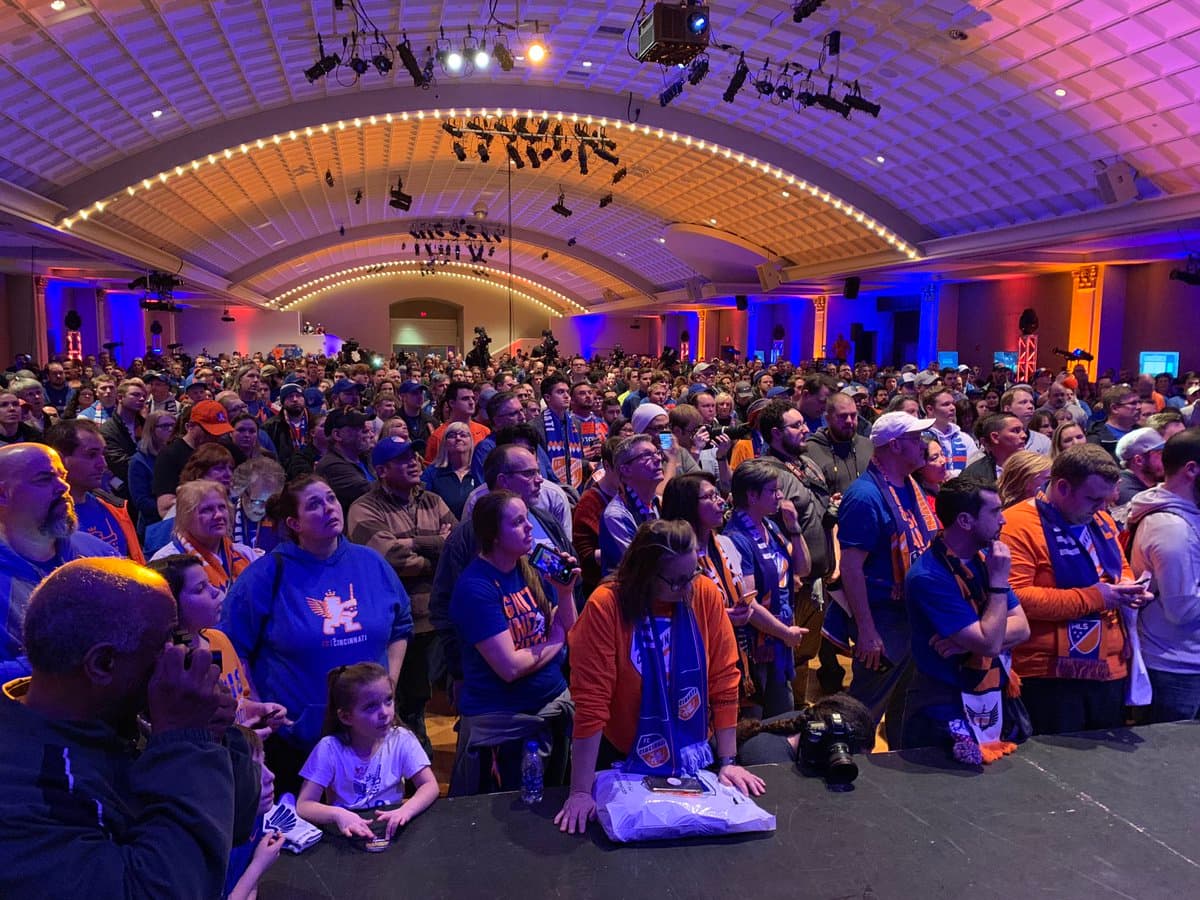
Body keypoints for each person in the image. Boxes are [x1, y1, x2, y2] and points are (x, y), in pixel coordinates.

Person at [0, 557, 259, 897]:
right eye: (167, 640)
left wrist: (212, 736)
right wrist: (187, 741)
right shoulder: (22, 796)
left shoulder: (116, 720)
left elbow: (232, 825)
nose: (181, 654)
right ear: (104, 664)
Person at [556, 520, 762, 835]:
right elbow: (592, 702)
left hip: (692, 753)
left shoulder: (703, 593)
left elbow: (724, 679)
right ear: (645, 573)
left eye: (692, 574)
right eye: (677, 581)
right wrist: (581, 792)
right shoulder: (606, 605)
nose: (688, 588)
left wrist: (728, 760)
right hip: (622, 757)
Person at [222, 475, 413, 791]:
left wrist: (388, 684)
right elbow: (232, 646)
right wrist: (257, 705)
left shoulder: (371, 562)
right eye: (314, 505)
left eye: (331, 498)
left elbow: (401, 626)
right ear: (293, 523)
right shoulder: (267, 573)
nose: (328, 508)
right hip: (297, 740)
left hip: (370, 735)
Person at [999, 444, 1151, 734]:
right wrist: (1097, 597)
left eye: (1104, 499)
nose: (1101, 507)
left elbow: (1118, 567)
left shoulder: (1100, 519)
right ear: (1063, 486)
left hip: (1111, 666)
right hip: (1050, 674)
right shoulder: (1016, 525)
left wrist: (1129, 589)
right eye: (1093, 499)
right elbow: (1015, 597)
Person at [448, 490, 578, 795]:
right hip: (505, 726)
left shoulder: (529, 566)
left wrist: (566, 592)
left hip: (551, 709)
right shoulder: (476, 587)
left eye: (527, 518)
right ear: (494, 535)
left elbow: (572, 628)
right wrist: (555, 641)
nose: (530, 527)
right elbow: (509, 666)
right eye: (518, 522)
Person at [825, 411, 941, 746]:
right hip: (882, 619)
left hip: (911, 616)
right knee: (865, 706)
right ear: (894, 446)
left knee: (905, 700)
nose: (924, 445)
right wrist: (867, 631)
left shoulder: (910, 485)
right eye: (915, 439)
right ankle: (843, 757)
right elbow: (850, 568)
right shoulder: (865, 495)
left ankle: (896, 759)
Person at [901, 477, 1030, 757]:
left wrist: (967, 642)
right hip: (941, 705)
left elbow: (1022, 628)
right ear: (965, 520)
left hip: (990, 693)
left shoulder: (985, 558)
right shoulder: (929, 576)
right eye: (995, 512)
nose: (1003, 520)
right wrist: (997, 584)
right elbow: (990, 645)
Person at [348, 437, 456, 751]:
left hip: (439, 615)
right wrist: (436, 544)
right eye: (402, 459)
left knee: (433, 695)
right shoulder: (364, 508)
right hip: (398, 622)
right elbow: (390, 559)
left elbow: (457, 543)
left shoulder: (432, 500)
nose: (413, 462)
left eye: (413, 455)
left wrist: (413, 542)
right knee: (405, 700)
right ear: (381, 470)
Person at [0, 444, 117, 681]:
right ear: (3, 494)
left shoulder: (100, 553)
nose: (64, 486)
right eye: (44, 479)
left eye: (62, 476)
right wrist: (62, 662)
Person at [146, 552, 290, 737]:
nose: (215, 592)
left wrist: (258, 710)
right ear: (171, 604)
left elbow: (239, 700)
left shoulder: (219, 639)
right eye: (200, 589)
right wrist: (240, 738)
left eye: (209, 583)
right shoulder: (166, 663)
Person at [296, 663, 438, 839]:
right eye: (371, 707)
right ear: (346, 717)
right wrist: (338, 814)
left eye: (388, 700)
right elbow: (304, 805)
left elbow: (429, 785)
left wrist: (406, 810)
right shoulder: (330, 748)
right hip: (347, 834)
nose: (385, 712)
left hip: (389, 828)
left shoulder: (401, 738)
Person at [722, 459, 813, 716]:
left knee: (782, 715)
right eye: (773, 490)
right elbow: (747, 603)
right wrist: (785, 633)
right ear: (752, 495)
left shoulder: (770, 527)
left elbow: (803, 568)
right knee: (759, 720)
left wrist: (795, 529)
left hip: (779, 638)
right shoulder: (736, 539)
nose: (780, 496)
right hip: (758, 645)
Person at [1126, 428, 1200, 723]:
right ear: (1192, 470)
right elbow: (1181, 609)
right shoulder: (1171, 528)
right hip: (1175, 669)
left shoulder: (1188, 513)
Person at [45, 419, 144, 563]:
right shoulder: (40, 518)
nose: (102, 464)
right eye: (91, 455)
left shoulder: (114, 507)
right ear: (59, 459)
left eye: (103, 454)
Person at [150, 479, 258, 606]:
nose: (218, 515)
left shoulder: (245, 554)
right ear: (185, 517)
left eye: (222, 507)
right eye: (207, 510)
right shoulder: (165, 563)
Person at [153, 399, 235, 517]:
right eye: (208, 431)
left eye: (220, 431)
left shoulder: (226, 448)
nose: (215, 436)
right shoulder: (170, 454)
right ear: (190, 426)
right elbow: (164, 508)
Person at [599, 434, 664, 574]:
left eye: (657, 453)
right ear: (626, 470)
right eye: (647, 455)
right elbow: (640, 568)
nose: (658, 459)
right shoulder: (616, 515)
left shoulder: (658, 503)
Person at [804, 392, 873, 496]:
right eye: (843, 416)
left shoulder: (869, 446)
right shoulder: (810, 451)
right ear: (827, 418)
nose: (849, 421)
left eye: (853, 415)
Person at [314, 408, 374, 517]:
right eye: (363, 430)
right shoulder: (331, 465)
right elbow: (370, 492)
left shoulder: (365, 457)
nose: (371, 435)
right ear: (337, 435)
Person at [129, 409, 175, 534]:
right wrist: (173, 508)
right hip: (154, 526)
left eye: (173, 425)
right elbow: (142, 502)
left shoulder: (176, 454)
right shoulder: (139, 461)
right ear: (152, 430)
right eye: (165, 426)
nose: (170, 429)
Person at [99, 378, 146, 499]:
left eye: (143, 396)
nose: (141, 399)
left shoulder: (146, 425)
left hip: (147, 487)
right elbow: (120, 464)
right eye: (135, 395)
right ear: (120, 398)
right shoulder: (107, 430)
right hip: (124, 492)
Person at [421, 420, 478, 520]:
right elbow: (422, 505)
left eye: (463, 435)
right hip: (443, 530)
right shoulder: (432, 473)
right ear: (444, 443)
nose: (458, 438)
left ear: (471, 442)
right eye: (452, 435)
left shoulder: (479, 472)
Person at [230, 456, 286, 553]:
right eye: (257, 501)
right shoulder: (227, 517)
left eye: (269, 501)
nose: (263, 508)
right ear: (242, 492)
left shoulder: (282, 522)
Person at [424, 381, 489, 464]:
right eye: (465, 399)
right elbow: (430, 470)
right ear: (451, 403)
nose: (471, 402)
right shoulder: (439, 436)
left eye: (473, 398)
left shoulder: (484, 431)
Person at [923, 387, 978, 478]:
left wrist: (952, 475)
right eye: (946, 404)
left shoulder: (964, 438)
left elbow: (977, 468)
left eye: (953, 403)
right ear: (930, 409)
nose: (952, 408)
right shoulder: (920, 438)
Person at [962, 413, 1026, 487]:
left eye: (1023, 430)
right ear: (995, 437)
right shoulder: (972, 476)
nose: (1024, 435)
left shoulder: (1036, 467)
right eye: (1015, 431)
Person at [1113, 426, 1166, 505]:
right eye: (1160, 454)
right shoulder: (1129, 494)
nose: (1167, 459)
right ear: (1139, 460)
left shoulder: (1150, 485)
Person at [1086, 385, 1141, 459]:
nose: (1139, 407)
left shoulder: (1143, 432)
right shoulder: (1096, 440)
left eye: (1139, 402)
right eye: (1133, 403)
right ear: (1114, 408)